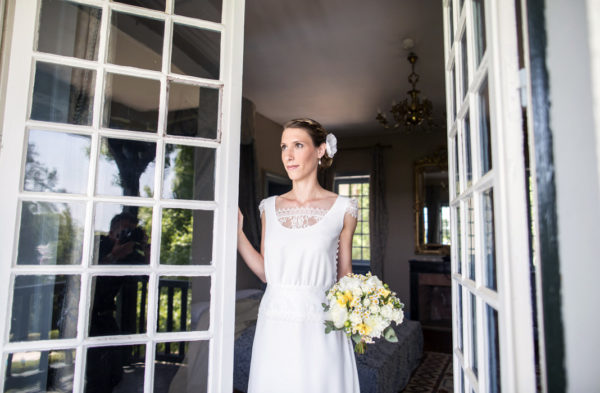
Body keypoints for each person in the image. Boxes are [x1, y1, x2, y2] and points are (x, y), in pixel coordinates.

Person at [237, 118, 361, 393]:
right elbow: (266, 272)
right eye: (284, 147)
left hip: (321, 324)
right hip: (274, 322)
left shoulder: (345, 209)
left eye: (298, 145)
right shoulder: (268, 207)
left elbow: (345, 277)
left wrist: (363, 315)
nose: (288, 156)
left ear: (319, 151)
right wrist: (237, 234)